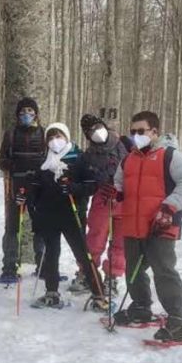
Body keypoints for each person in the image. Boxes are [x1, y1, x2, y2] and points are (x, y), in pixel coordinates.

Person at [112, 111, 182, 342]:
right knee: (133, 270)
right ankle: (141, 307)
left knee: (164, 271)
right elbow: (119, 181)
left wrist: (169, 207)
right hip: (132, 224)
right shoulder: (128, 158)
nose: (136, 135)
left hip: (160, 225)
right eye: (132, 132)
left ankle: (179, 321)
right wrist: (118, 192)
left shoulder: (170, 156)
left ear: (154, 132)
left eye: (141, 131)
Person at [27, 123, 107, 311]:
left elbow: (91, 185)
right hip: (48, 214)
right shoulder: (43, 160)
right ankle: (51, 292)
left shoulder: (79, 158)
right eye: (51, 137)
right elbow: (35, 187)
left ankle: (99, 293)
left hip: (72, 214)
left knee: (82, 254)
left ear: (67, 136)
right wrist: (29, 199)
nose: (55, 141)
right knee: (51, 254)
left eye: (59, 136)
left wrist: (73, 188)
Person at [74, 113, 130, 294]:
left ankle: (112, 277)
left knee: (120, 241)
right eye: (91, 131)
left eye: (98, 127)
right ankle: (87, 273)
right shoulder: (88, 155)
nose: (96, 132)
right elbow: (84, 180)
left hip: (125, 198)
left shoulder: (125, 144)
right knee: (95, 237)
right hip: (102, 198)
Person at [0, 97, 48, 285]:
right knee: (12, 227)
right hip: (15, 186)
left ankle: (43, 265)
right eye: (23, 111)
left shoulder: (44, 134)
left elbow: (50, 159)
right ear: (17, 114)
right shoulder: (11, 134)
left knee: (41, 227)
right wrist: (12, 164)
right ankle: (10, 266)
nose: (26, 114)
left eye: (30, 110)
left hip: (39, 186)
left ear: (36, 113)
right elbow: (1, 160)